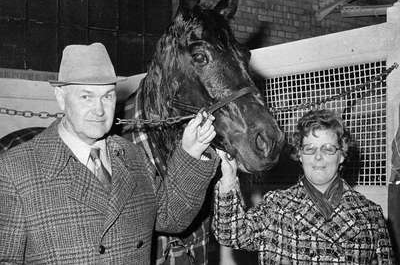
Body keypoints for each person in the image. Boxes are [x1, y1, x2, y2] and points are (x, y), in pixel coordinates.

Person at [0, 42, 219, 264]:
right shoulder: (14, 170)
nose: (99, 110)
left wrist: (192, 151)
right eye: (86, 97)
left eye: (107, 96)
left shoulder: (133, 157)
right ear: (60, 97)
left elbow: (172, 218)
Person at [212, 109, 393, 264]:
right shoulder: (276, 206)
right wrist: (228, 178)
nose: (318, 157)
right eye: (309, 149)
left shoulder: (371, 214)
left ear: (342, 155)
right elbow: (230, 234)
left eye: (328, 149)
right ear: (300, 155)